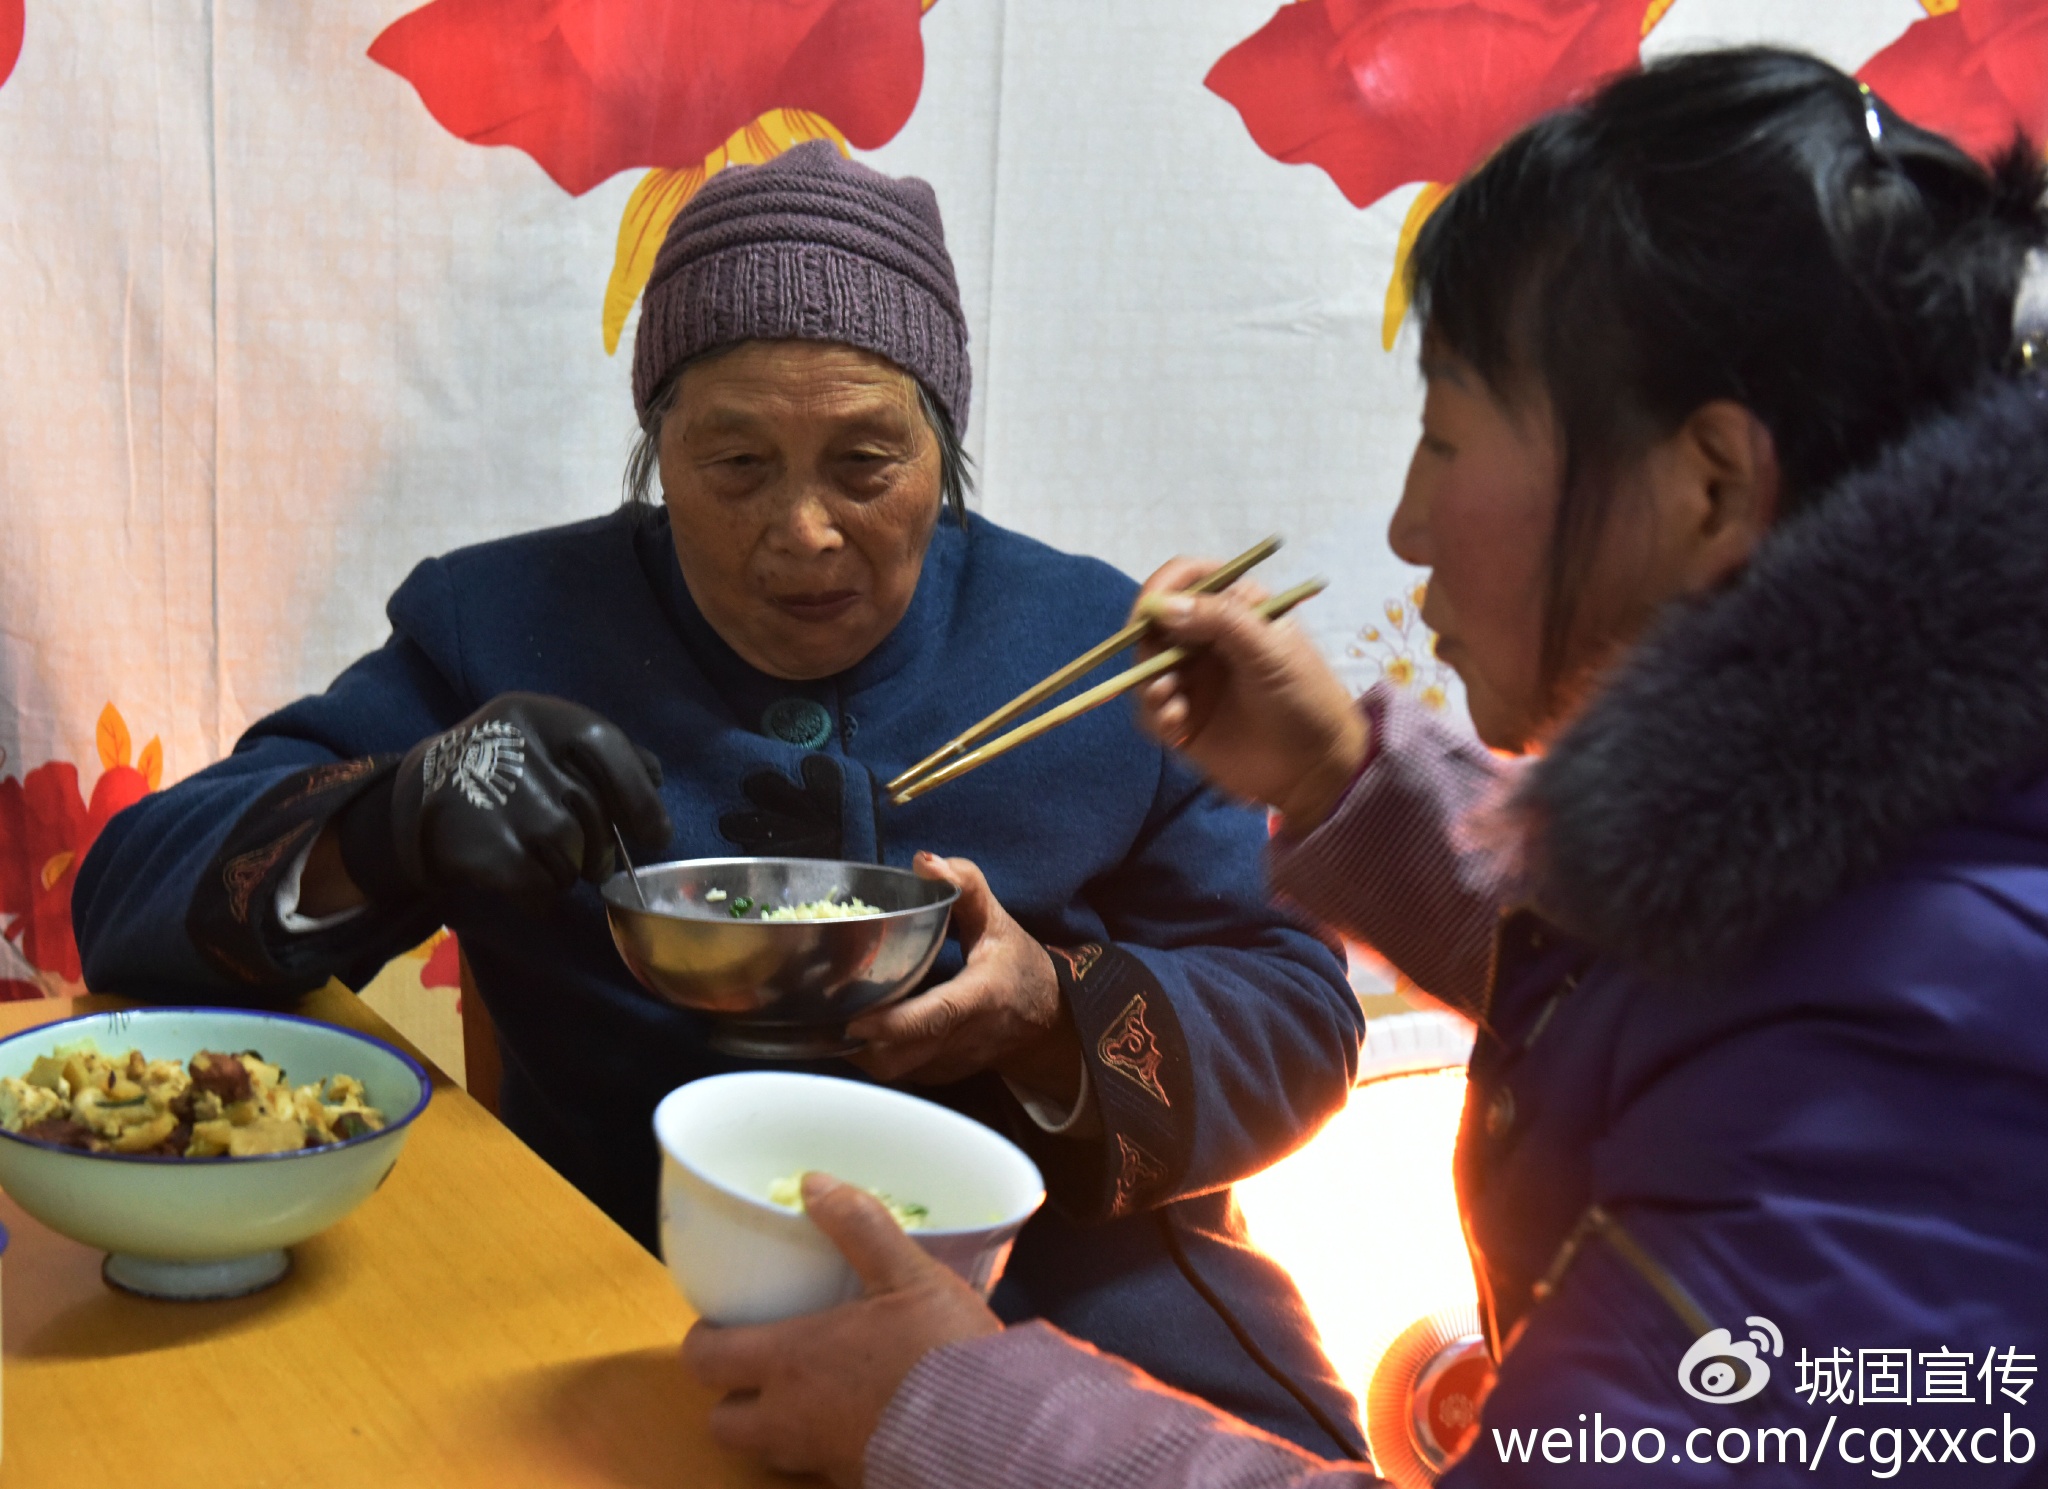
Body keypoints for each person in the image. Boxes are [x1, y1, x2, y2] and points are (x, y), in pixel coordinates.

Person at [677, 48, 2048, 1487]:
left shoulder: (1909, 1055)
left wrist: (956, 1390)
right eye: (734, 464)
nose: (1404, 526)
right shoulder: (1881, 810)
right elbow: (1684, 946)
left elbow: (1291, 1018)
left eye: (1447, 434)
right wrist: (1341, 773)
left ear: (1709, 486)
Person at [71, 142, 1371, 1455]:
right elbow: (128, 895)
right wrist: (395, 813)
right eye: (736, 463)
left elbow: (1301, 1008)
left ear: (945, 452)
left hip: (1072, 1313)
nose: (802, 532)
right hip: (624, 1298)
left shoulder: (1098, 655)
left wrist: (1049, 1019)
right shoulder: (506, 630)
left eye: (865, 462)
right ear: (655, 452)